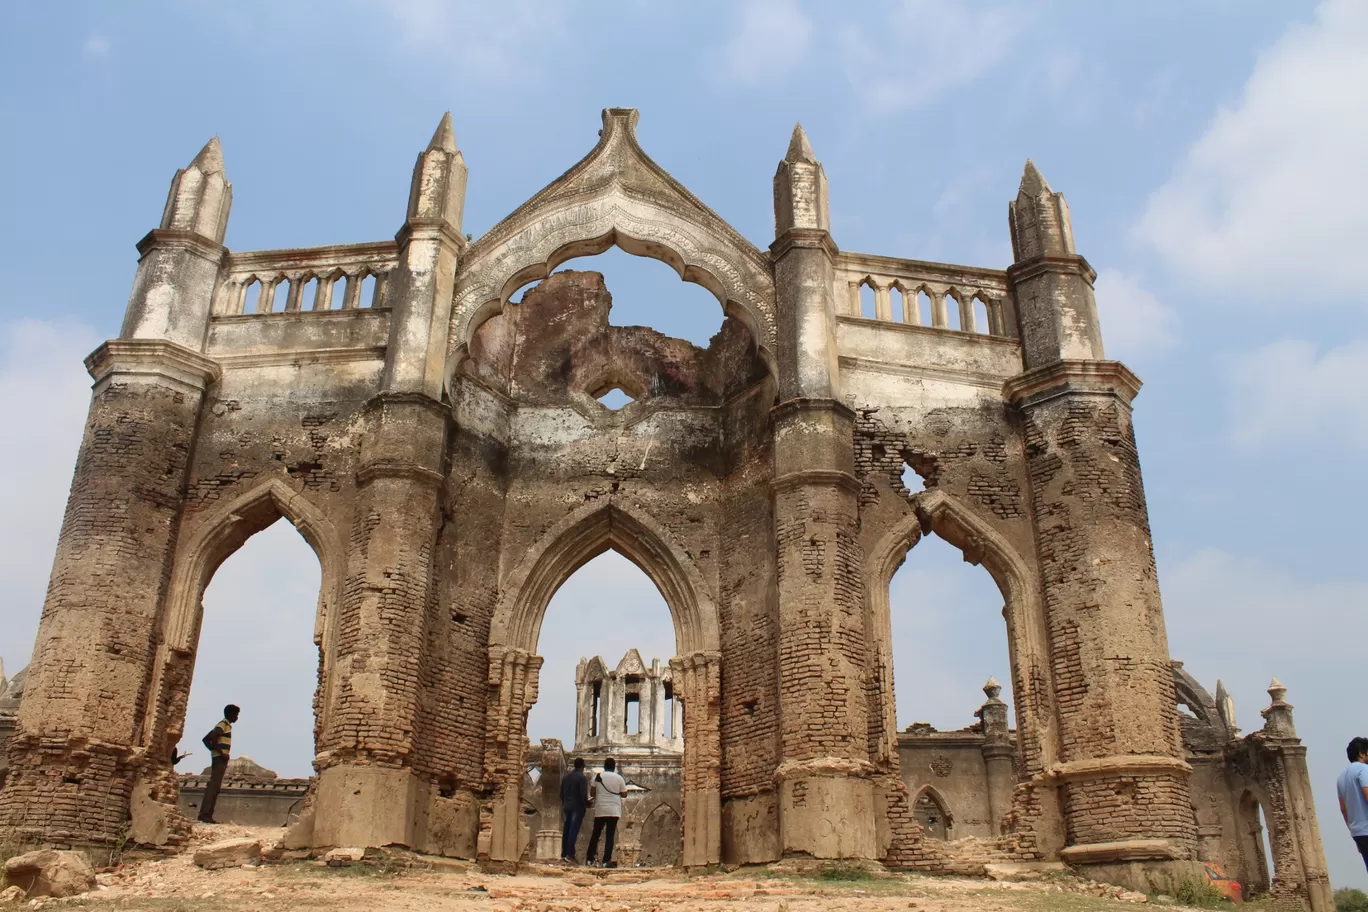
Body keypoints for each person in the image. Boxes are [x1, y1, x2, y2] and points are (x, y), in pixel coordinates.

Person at [197, 704, 240, 824]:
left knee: (215, 786)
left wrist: (213, 750)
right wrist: (220, 753)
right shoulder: (223, 724)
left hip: (219, 758)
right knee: (213, 787)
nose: (237, 717)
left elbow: (206, 739)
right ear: (232, 715)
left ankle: (207, 815)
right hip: (219, 759)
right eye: (237, 715)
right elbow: (213, 737)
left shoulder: (224, 725)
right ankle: (205, 815)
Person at [585, 757, 626, 868]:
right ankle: (606, 861)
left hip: (600, 809)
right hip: (614, 810)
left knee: (595, 834)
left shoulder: (597, 777)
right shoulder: (619, 778)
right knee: (610, 835)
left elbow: (592, 793)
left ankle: (589, 859)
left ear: (604, 766)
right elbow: (624, 794)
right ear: (614, 766)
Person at [1339, 736, 1368, 872]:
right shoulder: (1364, 770)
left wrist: (1353, 832)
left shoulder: (1341, 777)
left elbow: (1343, 809)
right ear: (1362, 753)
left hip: (1358, 833)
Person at [560, 757, 590, 863]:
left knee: (566, 829)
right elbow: (583, 794)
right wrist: (587, 803)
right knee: (573, 830)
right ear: (583, 767)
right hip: (577, 807)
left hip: (567, 806)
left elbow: (561, 794)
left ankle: (564, 854)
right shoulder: (582, 778)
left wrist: (565, 803)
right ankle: (570, 854)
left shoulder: (566, 777)